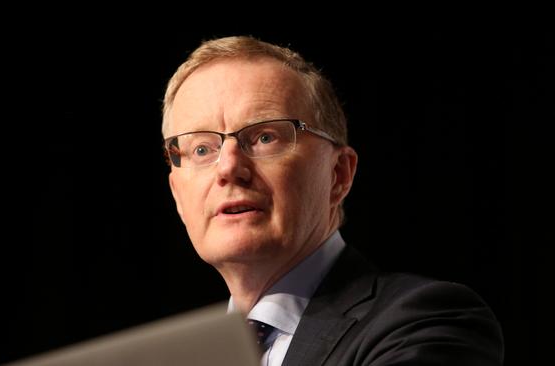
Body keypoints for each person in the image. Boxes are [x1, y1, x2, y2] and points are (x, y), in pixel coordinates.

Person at [161, 36, 504, 366]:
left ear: (338, 174)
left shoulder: (425, 321)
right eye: (202, 149)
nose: (229, 167)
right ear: (178, 194)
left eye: (265, 137)